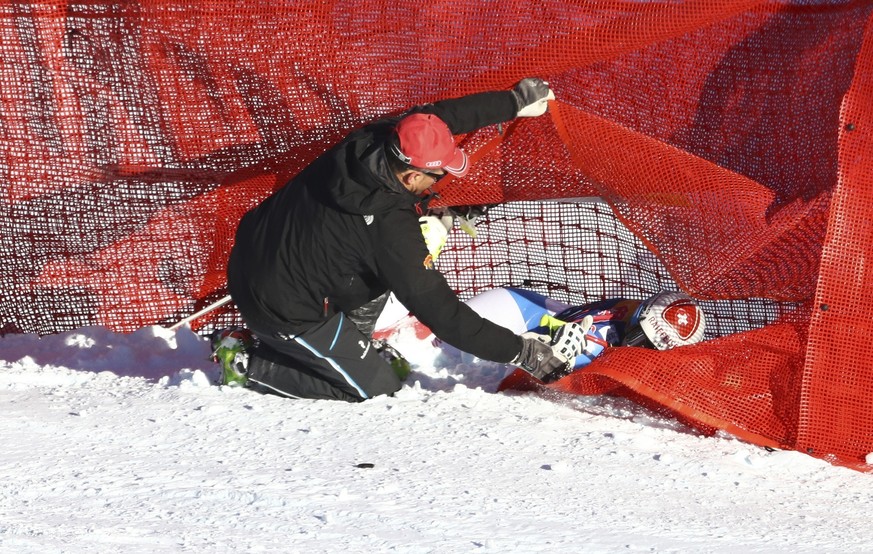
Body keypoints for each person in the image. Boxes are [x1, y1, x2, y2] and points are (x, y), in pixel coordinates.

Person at [213, 78, 588, 401]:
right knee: (376, 388)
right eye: (436, 174)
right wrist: (521, 351)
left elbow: (437, 117)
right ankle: (249, 365)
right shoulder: (391, 228)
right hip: (281, 307)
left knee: (375, 278)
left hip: (259, 249)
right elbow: (442, 313)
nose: (441, 180)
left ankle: (347, 347)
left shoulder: (370, 141)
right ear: (410, 177)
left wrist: (514, 101)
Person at [429, 287, 707, 383]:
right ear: (637, 317)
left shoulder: (633, 321)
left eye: (649, 347)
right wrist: (564, 359)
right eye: (638, 337)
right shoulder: (595, 339)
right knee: (437, 347)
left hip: (546, 318)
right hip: (518, 312)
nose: (637, 348)